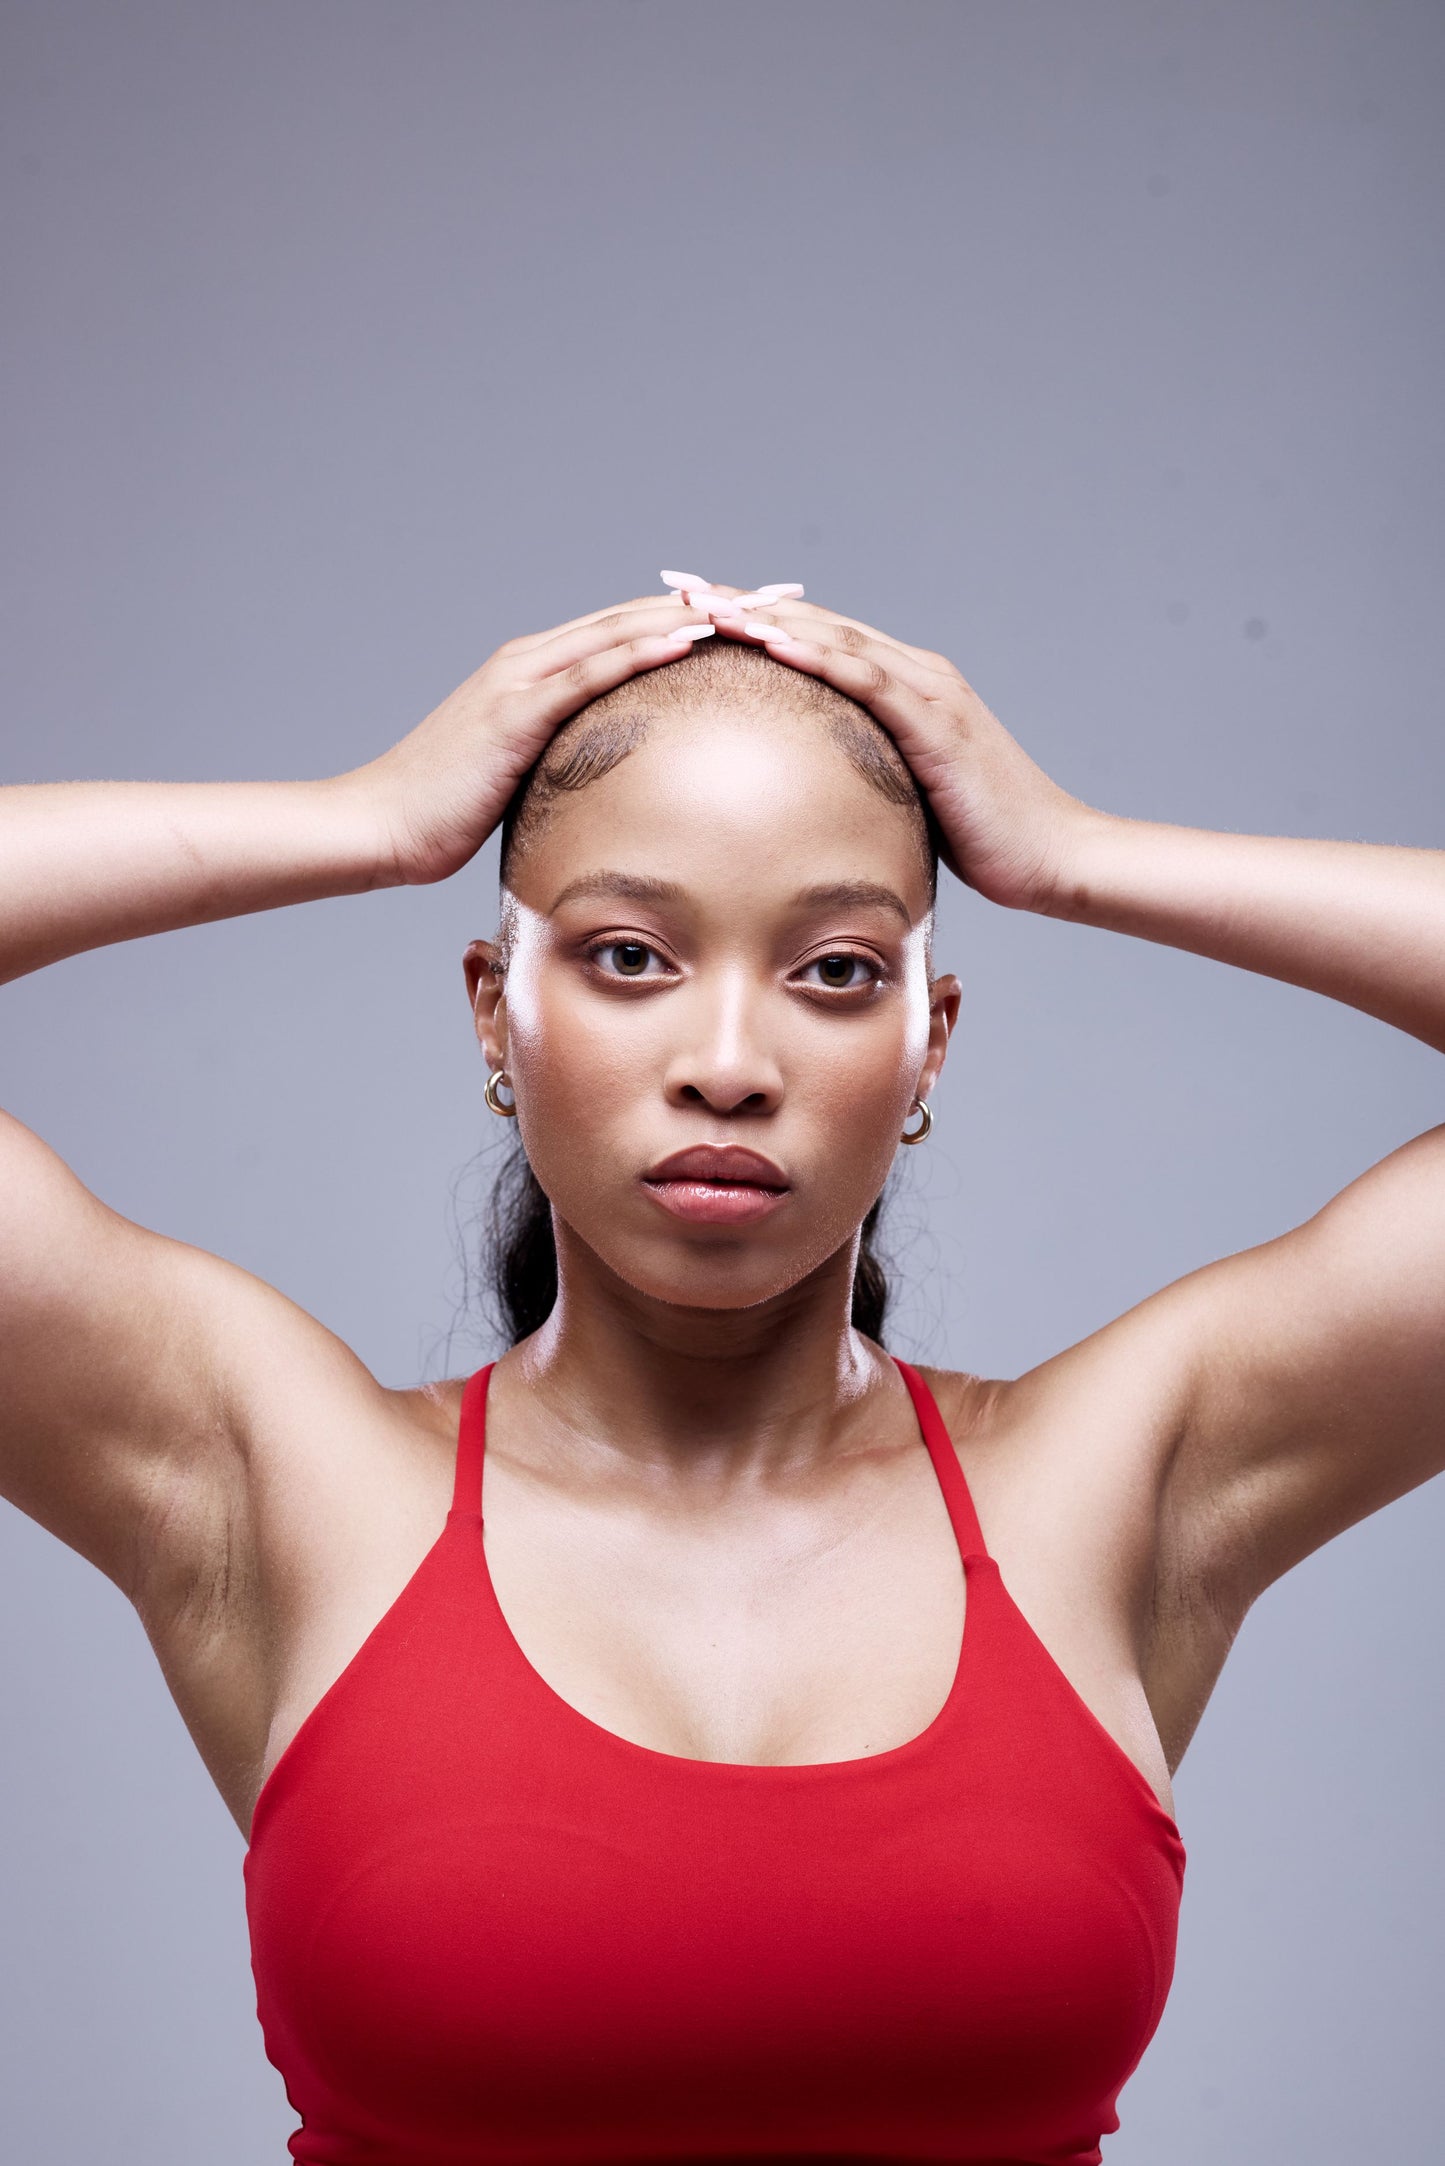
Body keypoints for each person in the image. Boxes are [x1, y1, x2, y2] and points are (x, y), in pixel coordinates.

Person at [1, 574, 1441, 2164]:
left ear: (928, 1046)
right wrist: (373, 821)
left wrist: (1074, 856)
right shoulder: (276, 1476)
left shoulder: (1109, 1480)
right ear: (496, 1010)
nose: (730, 1063)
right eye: (627, 953)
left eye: (835, 969)